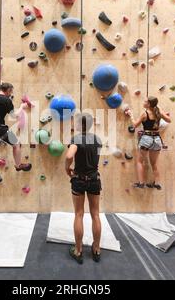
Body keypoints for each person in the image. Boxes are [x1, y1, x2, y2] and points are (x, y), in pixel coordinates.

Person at [65, 113, 102, 264]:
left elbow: (69, 156)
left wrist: (67, 168)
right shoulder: (98, 140)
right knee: (95, 215)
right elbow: (94, 159)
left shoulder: (76, 139)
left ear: (80, 125)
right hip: (94, 179)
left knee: (79, 214)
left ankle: (78, 251)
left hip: (79, 180)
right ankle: (97, 249)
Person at [0, 83, 32, 184]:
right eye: (11, 92)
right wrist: (22, 107)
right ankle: (18, 165)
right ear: (8, 90)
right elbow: (14, 116)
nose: (11, 94)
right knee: (16, 144)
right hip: (0, 129)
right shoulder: (7, 101)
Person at [125, 96, 171, 190]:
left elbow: (134, 125)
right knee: (154, 164)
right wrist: (160, 111)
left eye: (145, 101)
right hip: (157, 139)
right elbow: (169, 120)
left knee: (139, 162)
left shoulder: (145, 114)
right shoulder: (159, 112)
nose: (144, 102)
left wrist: (131, 115)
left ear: (149, 104)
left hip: (146, 138)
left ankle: (141, 183)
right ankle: (157, 183)